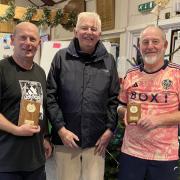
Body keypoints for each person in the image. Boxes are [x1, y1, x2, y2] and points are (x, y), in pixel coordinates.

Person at [46, 12, 120, 180]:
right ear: (75, 31)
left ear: (100, 34)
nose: (89, 32)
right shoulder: (60, 58)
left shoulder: (108, 61)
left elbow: (113, 99)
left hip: (97, 141)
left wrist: (109, 130)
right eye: (84, 28)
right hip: (66, 140)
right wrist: (61, 129)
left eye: (94, 29)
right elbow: (50, 96)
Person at [117, 24, 180, 180]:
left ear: (165, 45)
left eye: (155, 41)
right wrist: (123, 113)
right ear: (139, 46)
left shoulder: (177, 74)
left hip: (164, 155)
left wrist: (158, 120)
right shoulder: (131, 75)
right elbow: (120, 105)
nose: (150, 46)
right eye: (145, 42)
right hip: (131, 152)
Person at [0, 22, 52, 180]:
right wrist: (16, 130)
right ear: (12, 40)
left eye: (32, 39)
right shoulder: (2, 70)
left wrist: (44, 137)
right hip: (7, 162)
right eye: (23, 38)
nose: (28, 43)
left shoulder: (40, 72)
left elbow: (40, 108)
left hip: (36, 162)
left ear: (39, 43)